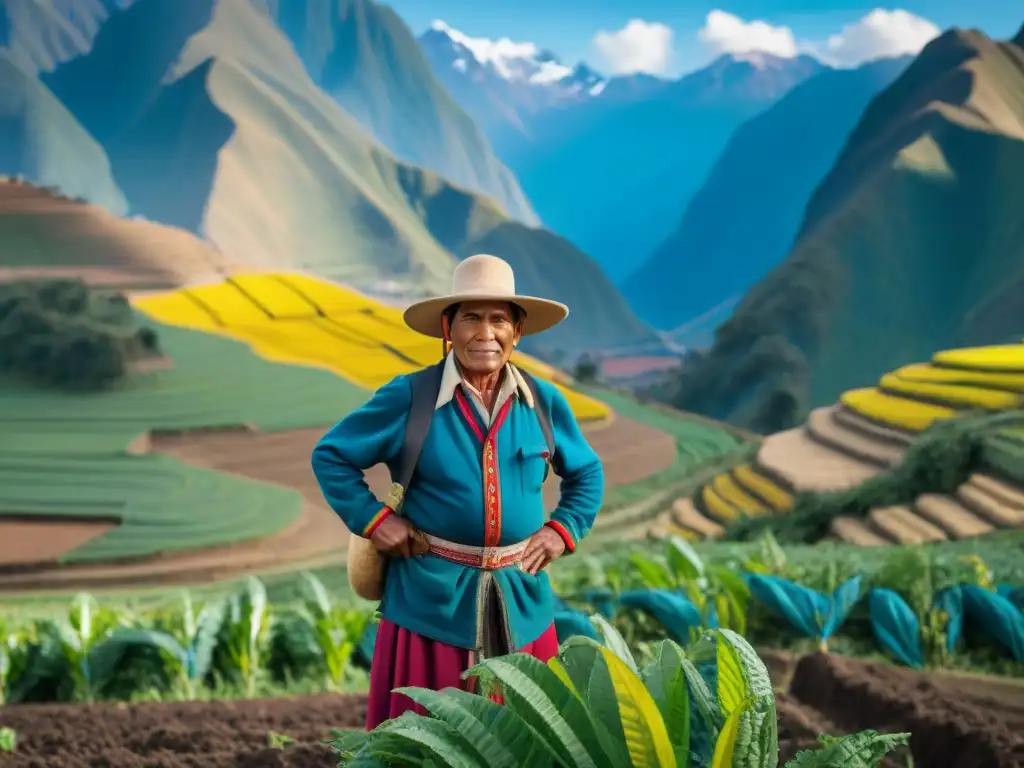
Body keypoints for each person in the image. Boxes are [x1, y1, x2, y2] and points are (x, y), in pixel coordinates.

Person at [310, 253, 604, 730]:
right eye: (471, 317)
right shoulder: (410, 397)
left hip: (522, 601)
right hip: (430, 605)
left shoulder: (544, 403)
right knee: (429, 740)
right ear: (448, 327)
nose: (485, 332)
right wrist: (376, 522)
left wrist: (562, 529)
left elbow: (587, 474)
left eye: (498, 319)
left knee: (528, 742)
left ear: (518, 331)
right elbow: (331, 456)